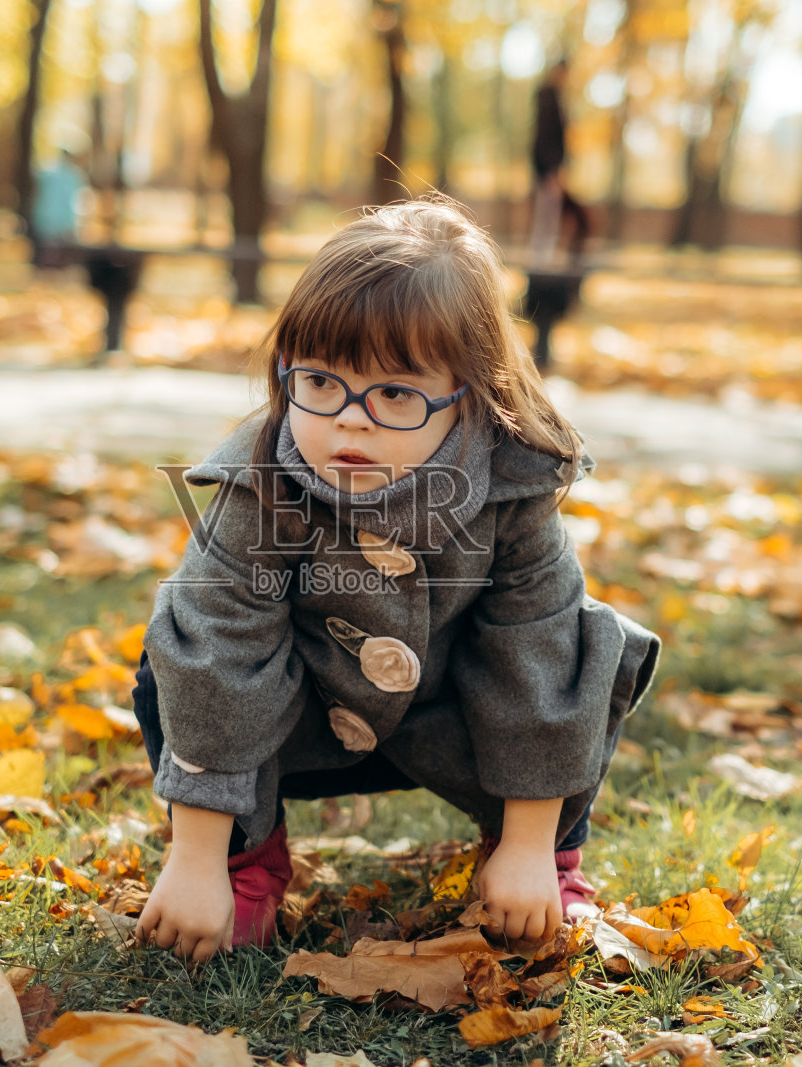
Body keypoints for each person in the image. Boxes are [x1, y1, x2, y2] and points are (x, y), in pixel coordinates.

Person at [131, 196, 660, 961]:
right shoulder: (262, 481)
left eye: (396, 394)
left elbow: (539, 657)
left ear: (467, 396)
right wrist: (196, 857)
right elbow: (219, 656)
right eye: (320, 382)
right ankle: (248, 859)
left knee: (582, 645)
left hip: (452, 715)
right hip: (299, 716)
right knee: (173, 657)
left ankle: (540, 859)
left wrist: (528, 841)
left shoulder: (511, 490)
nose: (350, 419)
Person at [530, 58, 593, 263]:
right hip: (548, 168)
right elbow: (545, 137)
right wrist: (549, 170)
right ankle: (541, 256)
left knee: (550, 211)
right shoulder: (548, 98)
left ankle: (544, 254)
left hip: (551, 167)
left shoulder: (555, 98)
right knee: (547, 212)